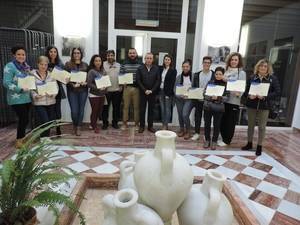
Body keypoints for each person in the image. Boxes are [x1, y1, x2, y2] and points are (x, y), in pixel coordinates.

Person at [241, 59, 280, 156]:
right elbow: (245, 91)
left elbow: (277, 92)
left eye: (265, 66)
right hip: (252, 105)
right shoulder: (252, 77)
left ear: (268, 68)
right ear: (257, 67)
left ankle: (259, 146)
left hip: (265, 106)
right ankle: (249, 144)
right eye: (261, 66)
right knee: (250, 126)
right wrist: (249, 95)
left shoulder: (272, 79)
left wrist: (265, 97)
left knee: (262, 127)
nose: (263, 68)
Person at [3, 46, 32, 148]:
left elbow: (29, 80)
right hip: (16, 98)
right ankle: (19, 140)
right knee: (23, 118)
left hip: (27, 98)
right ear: (14, 55)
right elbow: (6, 83)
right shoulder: (10, 66)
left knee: (25, 119)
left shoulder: (26, 66)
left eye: (23, 54)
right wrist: (19, 89)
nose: (21, 56)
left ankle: (22, 137)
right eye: (19, 54)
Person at [219, 52, 246, 146]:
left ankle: (227, 141)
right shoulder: (226, 71)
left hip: (234, 101)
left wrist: (228, 81)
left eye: (236, 60)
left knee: (230, 122)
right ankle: (222, 137)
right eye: (232, 59)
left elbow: (242, 89)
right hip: (224, 100)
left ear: (239, 61)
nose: (233, 61)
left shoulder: (241, 73)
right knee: (223, 120)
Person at [31, 56, 58, 137]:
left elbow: (56, 87)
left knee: (49, 122)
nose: (43, 66)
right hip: (39, 102)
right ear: (38, 64)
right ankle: (44, 138)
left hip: (51, 102)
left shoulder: (51, 75)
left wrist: (53, 94)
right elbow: (30, 89)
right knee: (44, 121)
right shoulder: (32, 75)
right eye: (41, 64)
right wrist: (35, 95)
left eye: (45, 65)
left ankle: (46, 137)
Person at [64, 47, 88, 136]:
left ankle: (79, 127)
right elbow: (65, 78)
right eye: (75, 53)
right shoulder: (68, 64)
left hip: (83, 91)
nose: (76, 55)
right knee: (74, 111)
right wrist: (72, 85)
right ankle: (75, 124)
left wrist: (85, 83)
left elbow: (88, 78)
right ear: (72, 54)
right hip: (72, 90)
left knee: (81, 110)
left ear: (81, 54)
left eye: (78, 53)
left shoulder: (85, 65)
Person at [203, 67, 228, 150]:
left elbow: (227, 97)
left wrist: (218, 98)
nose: (218, 75)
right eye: (216, 74)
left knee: (216, 125)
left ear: (223, 75)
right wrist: (211, 97)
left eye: (220, 74)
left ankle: (214, 141)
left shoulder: (225, 84)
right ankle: (207, 140)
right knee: (207, 124)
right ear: (214, 74)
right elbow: (204, 94)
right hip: (208, 106)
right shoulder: (210, 82)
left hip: (219, 108)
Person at [191, 56, 214, 141]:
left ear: (210, 64)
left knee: (207, 118)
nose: (206, 64)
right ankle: (197, 133)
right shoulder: (197, 74)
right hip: (198, 99)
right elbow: (193, 86)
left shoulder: (214, 74)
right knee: (197, 117)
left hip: (209, 100)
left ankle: (206, 134)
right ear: (202, 63)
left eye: (208, 63)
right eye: (205, 62)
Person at [136, 52, 161, 133]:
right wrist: (144, 90)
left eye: (150, 58)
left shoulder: (156, 68)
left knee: (151, 110)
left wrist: (152, 90)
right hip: (143, 93)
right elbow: (138, 81)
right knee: (142, 110)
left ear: (153, 59)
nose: (149, 60)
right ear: (145, 59)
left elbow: (158, 81)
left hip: (152, 93)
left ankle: (150, 126)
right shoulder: (140, 68)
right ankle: (142, 126)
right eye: (147, 58)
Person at [45, 45, 66, 135]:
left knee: (58, 110)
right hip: (47, 89)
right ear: (48, 53)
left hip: (58, 89)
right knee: (50, 110)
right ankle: (48, 129)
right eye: (51, 51)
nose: (53, 53)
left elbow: (64, 78)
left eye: (55, 52)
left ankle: (58, 128)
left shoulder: (60, 64)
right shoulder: (44, 63)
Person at [120, 48, 142, 130]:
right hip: (127, 88)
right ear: (128, 54)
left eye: (133, 53)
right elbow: (121, 74)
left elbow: (142, 75)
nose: (132, 54)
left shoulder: (140, 64)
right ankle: (124, 124)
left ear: (136, 54)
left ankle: (136, 124)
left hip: (137, 89)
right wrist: (122, 81)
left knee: (136, 107)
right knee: (125, 107)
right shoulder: (124, 64)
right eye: (130, 53)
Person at [102, 50, 122, 129]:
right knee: (105, 108)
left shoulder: (119, 65)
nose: (110, 57)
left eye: (112, 55)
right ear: (106, 56)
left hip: (117, 90)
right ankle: (105, 123)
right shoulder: (103, 64)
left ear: (114, 56)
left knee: (116, 108)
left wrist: (121, 86)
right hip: (106, 91)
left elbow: (121, 76)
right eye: (108, 55)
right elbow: (101, 76)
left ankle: (115, 123)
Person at [87, 55, 107, 133]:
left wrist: (106, 86)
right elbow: (89, 84)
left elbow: (106, 81)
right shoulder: (91, 71)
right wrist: (98, 87)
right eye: (96, 61)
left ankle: (93, 123)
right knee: (95, 111)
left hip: (102, 95)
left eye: (99, 61)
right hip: (94, 95)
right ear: (93, 62)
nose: (98, 62)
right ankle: (93, 126)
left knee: (99, 111)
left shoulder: (103, 71)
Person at [174, 60, 193, 140]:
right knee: (180, 115)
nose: (185, 68)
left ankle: (188, 131)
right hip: (179, 99)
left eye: (187, 66)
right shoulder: (178, 77)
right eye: (184, 67)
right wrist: (179, 95)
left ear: (190, 67)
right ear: (182, 67)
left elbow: (196, 88)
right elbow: (174, 89)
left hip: (189, 99)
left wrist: (189, 95)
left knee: (185, 114)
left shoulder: (194, 76)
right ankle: (182, 129)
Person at [158, 54, 177, 130]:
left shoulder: (173, 70)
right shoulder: (161, 69)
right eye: (165, 59)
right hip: (160, 91)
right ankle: (163, 124)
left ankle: (166, 125)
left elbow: (172, 83)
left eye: (168, 59)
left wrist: (168, 94)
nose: (167, 61)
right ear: (163, 60)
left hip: (168, 92)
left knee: (167, 109)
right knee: (162, 108)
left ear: (171, 61)